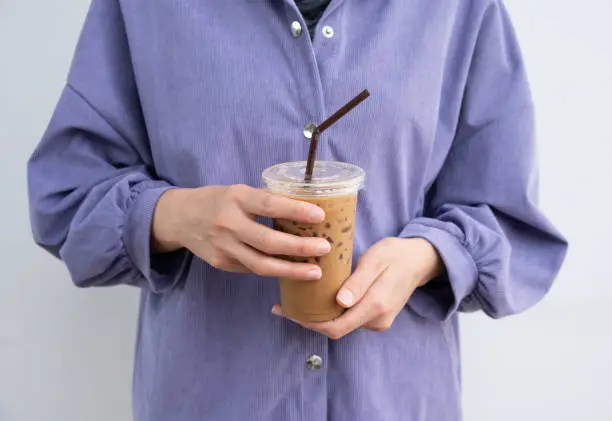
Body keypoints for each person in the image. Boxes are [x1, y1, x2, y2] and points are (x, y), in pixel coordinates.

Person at [27, 0, 568, 420]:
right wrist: (174, 215)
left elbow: (510, 220)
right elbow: (66, 197)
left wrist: (428, 256)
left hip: (396, 401)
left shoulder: (457, 10)